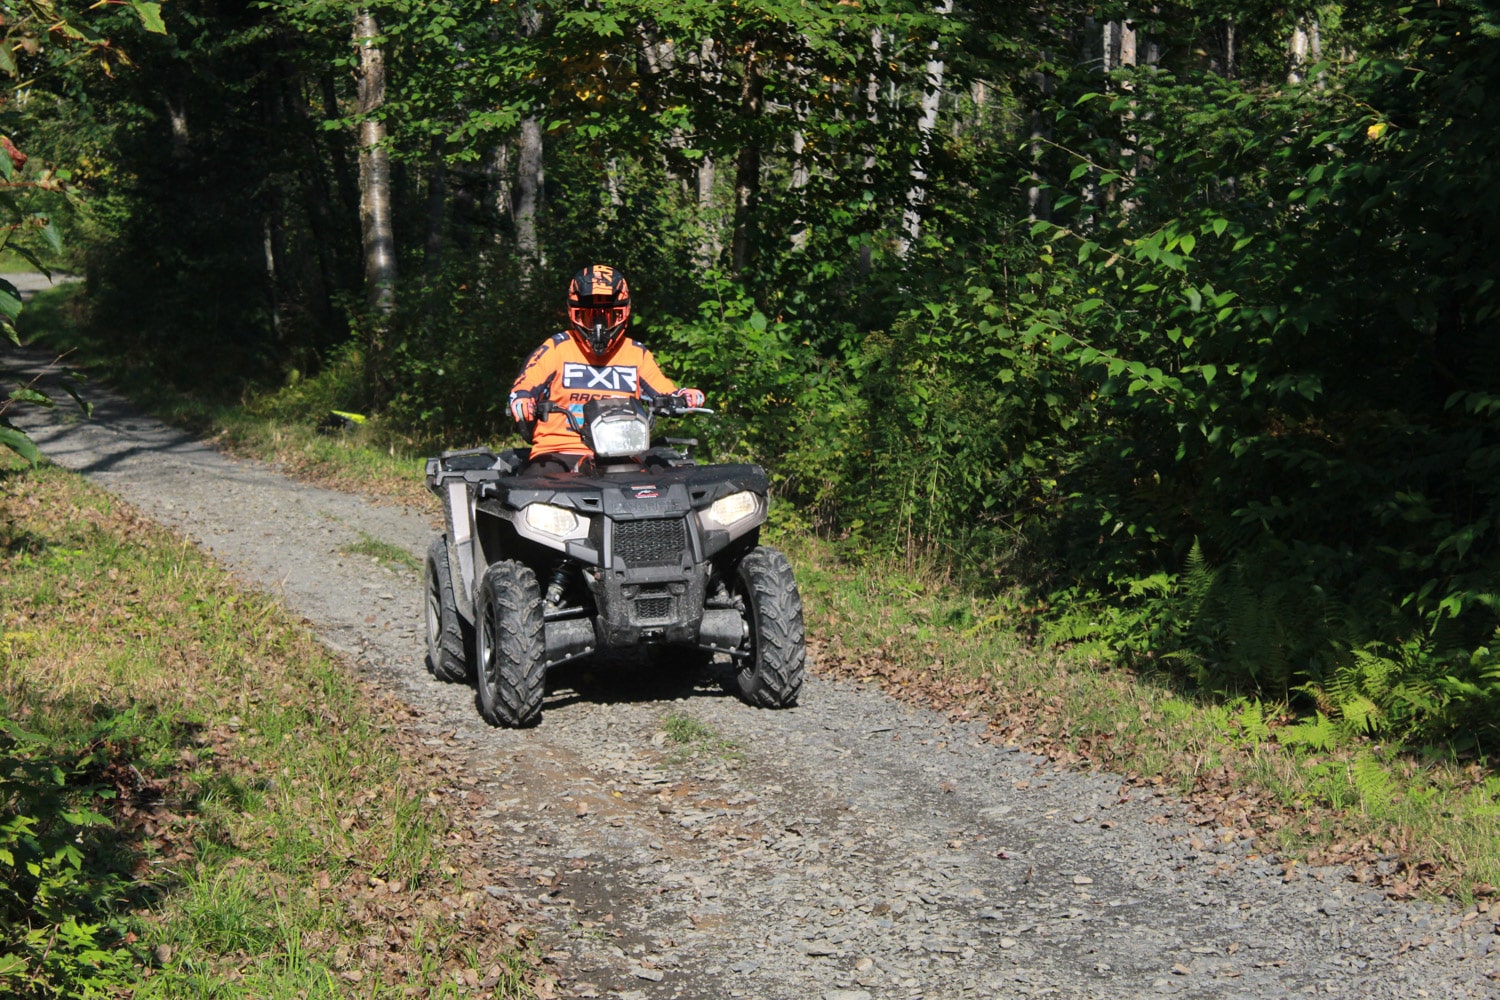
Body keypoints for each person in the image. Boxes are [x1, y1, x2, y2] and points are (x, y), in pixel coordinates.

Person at [508, 264, 704, 474]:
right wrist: (523, 399)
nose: (598, 327)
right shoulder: (556, 348)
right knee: (538, 488)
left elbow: (664, 390)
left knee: (672, 477)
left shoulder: (636, 353)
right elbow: (524, 385)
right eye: (588, 317)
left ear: (624, 314)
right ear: (573, 314)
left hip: (626, 449)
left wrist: (683, 397)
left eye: (609, 317)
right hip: (561, 449)